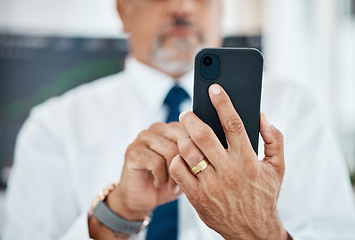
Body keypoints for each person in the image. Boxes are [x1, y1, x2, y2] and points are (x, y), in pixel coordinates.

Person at [3, 0, 355, 239]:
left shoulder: (296, 107)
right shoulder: (53, 126)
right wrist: (117, 213)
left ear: (221, 11)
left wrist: (260, 228)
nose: (182, 6)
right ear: (123, 10)